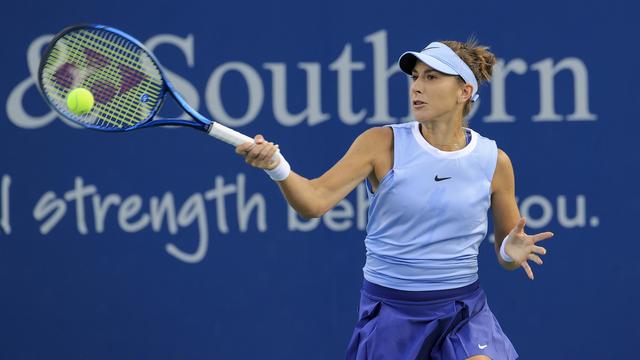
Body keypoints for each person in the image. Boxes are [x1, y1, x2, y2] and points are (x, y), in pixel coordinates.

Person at [235, 39, 553, 360]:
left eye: (431, 77)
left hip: (463, 311)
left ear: (464, 92)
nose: (417, 87)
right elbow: (314, 202)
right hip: (393, 312)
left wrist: (510, 253)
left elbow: (507, 254)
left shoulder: (494, 160)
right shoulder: (381, 144)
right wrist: (276, 166)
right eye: (415, 77)